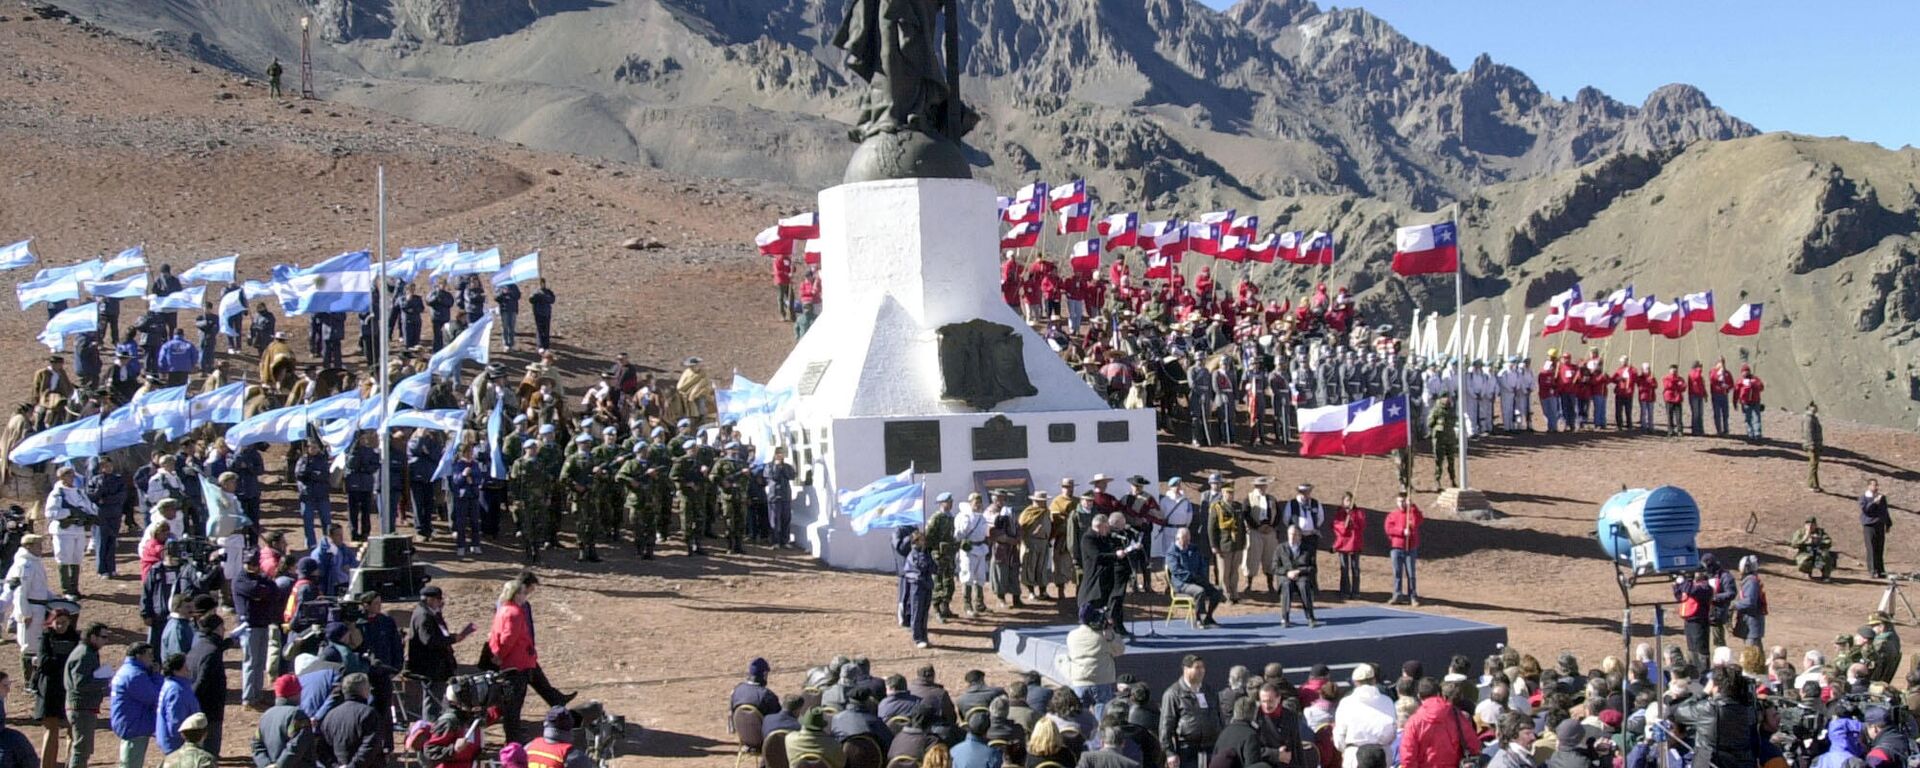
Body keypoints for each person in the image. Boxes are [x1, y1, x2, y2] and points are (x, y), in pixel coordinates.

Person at [405, 585, 474, 715]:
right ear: (429, 599)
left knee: (437, 700)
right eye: (438, 599)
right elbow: (429, 641)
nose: (440, 602)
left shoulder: (431, 613)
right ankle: (430, 729)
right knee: (432, 702)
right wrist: (453, 639)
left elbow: (441, 632)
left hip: (437, 667)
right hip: (431, 668)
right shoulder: (423, 616)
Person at [1670, 665, 1758, 768]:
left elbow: (1679, 711)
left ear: (1715, 687)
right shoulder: (1747, 709)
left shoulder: (1708, 709)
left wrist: (1704, 692)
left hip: (1710, 762)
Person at [1159, 654, 1221, 768]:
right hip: (1186, 749)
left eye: (1203, 667)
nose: (1201, 671)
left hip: (1210, 748)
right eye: (1197, 667)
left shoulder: (1209, 691)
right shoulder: (1173, 693)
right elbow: (1165, 725)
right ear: (1186, 669)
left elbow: (1219, 717)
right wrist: (1169, 752)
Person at [1398, 679, 1473, 768]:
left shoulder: (1413, 722)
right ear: (1438, 694)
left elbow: (1407, 758)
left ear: (1418, 696)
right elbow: (1473, 744)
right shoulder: (1455, 715)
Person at [44, 466, 94, 599]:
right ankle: (67, 590)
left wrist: (90, 516)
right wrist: (69, 512)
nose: (72, 478)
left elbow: (88, 507)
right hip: (64, 531)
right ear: (62, 477)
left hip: (78, 529)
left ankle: (75, 588)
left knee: (77, 558)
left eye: (72, 475)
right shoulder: (57, 493)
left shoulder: (78, 492)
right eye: (68, 475)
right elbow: (50, 512)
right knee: (64, 558)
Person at [64, 621, 110, 768]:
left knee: (80, 749)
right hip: (81, 708)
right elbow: (81, 684)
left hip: (81, 707)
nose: (105, 641)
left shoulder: (87, 652)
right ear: (92, 637)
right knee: (81, 750)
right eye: (103, 637)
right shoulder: (85, 654)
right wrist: (104, 682)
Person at [1331, 665, 1395, 768]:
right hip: (1382, 755)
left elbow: (1339, 735)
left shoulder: (1346, 703)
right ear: (1374, 680)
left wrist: (1345, 750)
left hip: (1354, 755)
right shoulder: (1387, 701)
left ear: (1355, 682)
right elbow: (1392, 732)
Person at [1062, 611, 1124, 715]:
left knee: (1080, 716)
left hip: (1079, 681)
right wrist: (1111, 632)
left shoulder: (1071, 635)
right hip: (1101, 681)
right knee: (1103, 717)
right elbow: (1120, 650)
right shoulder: (1103, 636)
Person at [110, 642, 161, 768]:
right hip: (135, 725)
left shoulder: (126, 670)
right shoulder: (135, 675)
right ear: (139, 656)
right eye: (149, 655)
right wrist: (156, 675)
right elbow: (155, 696)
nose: (152, 658)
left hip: (129, 723)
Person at [316, 672, 380, 767]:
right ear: (364, 690)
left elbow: (321, 748)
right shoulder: (368, 713)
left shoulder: (330, 715)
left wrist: (335, 765)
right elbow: (371, 745)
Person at [251, 674, 314, 768]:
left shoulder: (266, 715)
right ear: (296, 694)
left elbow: (256, 744)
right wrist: (279, 765)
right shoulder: (297, 715)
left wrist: (265, 764)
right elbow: (297, 745)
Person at [1167, 528, 1222, 628]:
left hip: (1196, 579)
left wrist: (1202, 577)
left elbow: (1201, 564)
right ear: (1178, 539)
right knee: (1199, 591)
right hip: (1181, 583)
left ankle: (1208, 617)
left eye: (1188, 540)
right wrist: (1193, 577)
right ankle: (1199, 619)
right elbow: (1177, 571)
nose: (1187, 543)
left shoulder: (1194, 548)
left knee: (1217, 591)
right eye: (1184, 540)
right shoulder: (1172, 552)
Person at [155, 652, 199, 755]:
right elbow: (175, 723)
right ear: (176, 671)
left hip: (172, 742)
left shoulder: (173, 685)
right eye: (185, 667)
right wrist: (188, 740)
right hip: (177, 745)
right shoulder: (177, 691)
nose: (188, 669)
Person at [1384, 493, 1422, 607]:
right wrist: (1401, 531)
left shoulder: (1411, 513)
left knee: (1411, 574)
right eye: (1399, 501)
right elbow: (1388, 529)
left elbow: (1417, 521)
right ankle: (1397, 594)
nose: (1401, 503)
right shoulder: (1392, 515)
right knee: (1397, 573)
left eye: (1403, 501)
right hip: (1396, 548)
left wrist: (1413, 507)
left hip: (1410, 548)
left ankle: (1413, 596)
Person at [1277, 525, 1319, 628]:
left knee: (1304, 585)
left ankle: (1310, 617)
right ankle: (1285, 618)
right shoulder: (1281, 548)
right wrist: (1287, 572)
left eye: (1295, 534)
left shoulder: (1308, 549)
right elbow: (1275, 567)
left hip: (1302, 576)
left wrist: (1299, 571)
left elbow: (1313, 568)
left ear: (1300, 536)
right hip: (1287, 576)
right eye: (1290, 534)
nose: (1292, 537)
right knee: (1286, 585)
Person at [1331, 491, 1365, 600]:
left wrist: (1352, 518)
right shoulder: (1340, 513)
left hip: (1355, 545)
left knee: (1355, 569)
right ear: (1343, 502)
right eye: (1347, 500)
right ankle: (1344, 591)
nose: (1349, 502)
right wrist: (1344, 526)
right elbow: (1336, 526)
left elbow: (1362, 525)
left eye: (1351, 500)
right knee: (1344, 568)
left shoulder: (1358, 512)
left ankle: (1356, 591)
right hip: (1343, 545)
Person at [1730, 555, 1767, 647]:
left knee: (1752, 651)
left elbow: (1749, 602)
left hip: (1752, 623)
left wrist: (1734, 605)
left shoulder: (1751, 582)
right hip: (1750, 622)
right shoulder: (1751, 580)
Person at [1859, 478, 1890, 579]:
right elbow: (1866, 510)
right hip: (1869, 526)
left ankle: (1881, 570)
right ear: (1869, 486)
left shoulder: (1882, 497)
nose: (1875, 487)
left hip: (1879, 525)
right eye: (1873, 485)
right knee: (1871, 548)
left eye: (1876, 485)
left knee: (1880, 548)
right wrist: (1873, 503)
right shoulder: (1864, 497)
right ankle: (1872, 570)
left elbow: (1885, 511)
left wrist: (1888, 523)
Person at [1733, 366, 1765, 439]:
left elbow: (1761, 387)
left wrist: (1754, 383)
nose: (1745, 372)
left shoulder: (1755, 379)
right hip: (1745, 403)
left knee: (1756, 418)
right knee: (1748, 419)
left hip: (1755, 401)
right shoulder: (1740, 381)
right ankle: (1750, 434)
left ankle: (1757, 433)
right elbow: (1736, 392)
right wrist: (1735, 402)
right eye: (1744, 371)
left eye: (1747, 371)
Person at [528, 279, 556, 351]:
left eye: (543, 283)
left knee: (546, 330)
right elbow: (531, 300)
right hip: (538, 313)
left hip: (546, 313)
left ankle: (546, 346)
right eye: (540, 283)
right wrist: (537, 296)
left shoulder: (548, 292)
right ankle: (540, 345)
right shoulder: (535, 292)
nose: (542, 285)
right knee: (539, 330)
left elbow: (552, 300)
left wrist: (544, 297)